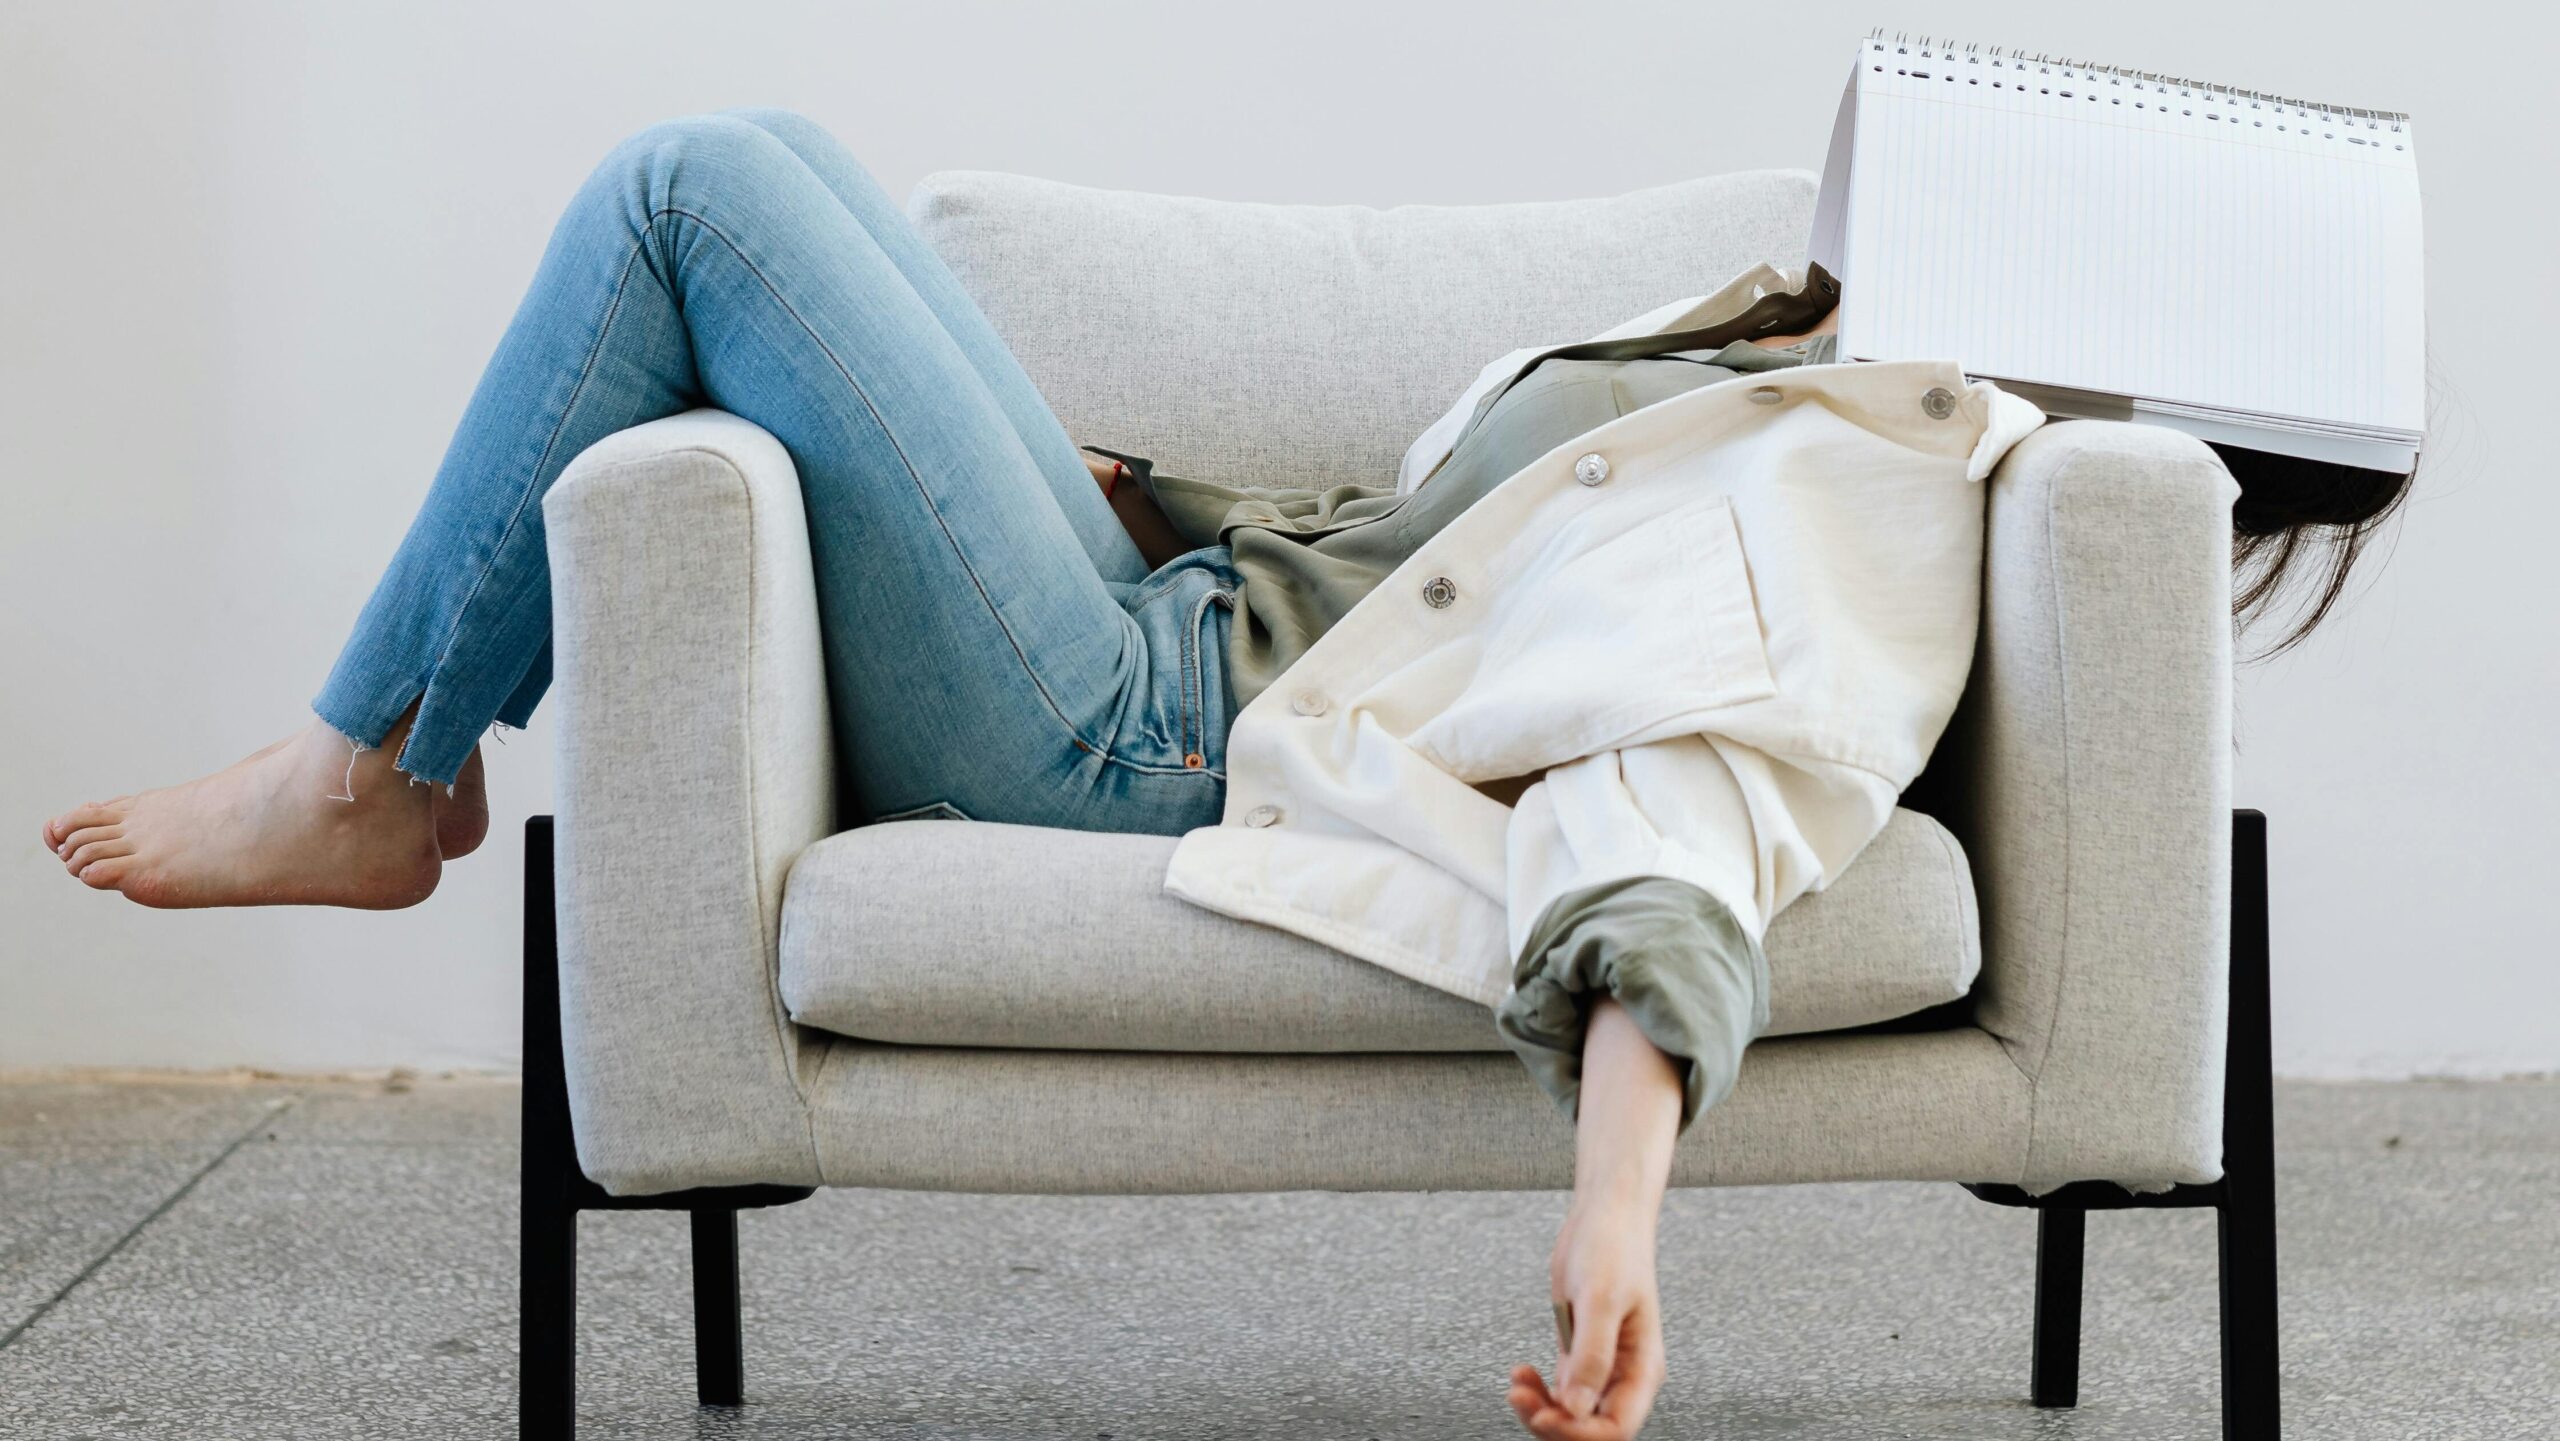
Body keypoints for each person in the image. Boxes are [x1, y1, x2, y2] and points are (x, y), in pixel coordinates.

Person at [37, 112, 2409, 1440]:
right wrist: (1096, 493)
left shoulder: (1902, 485)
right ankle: (384, 758)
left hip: (1140, 737)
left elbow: (1682, 794)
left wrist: (1613, 1211)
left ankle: (375, 772)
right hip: (1152, 619)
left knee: (691, 193)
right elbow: (1415, 569)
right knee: (753, 163)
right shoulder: (1819, 365)